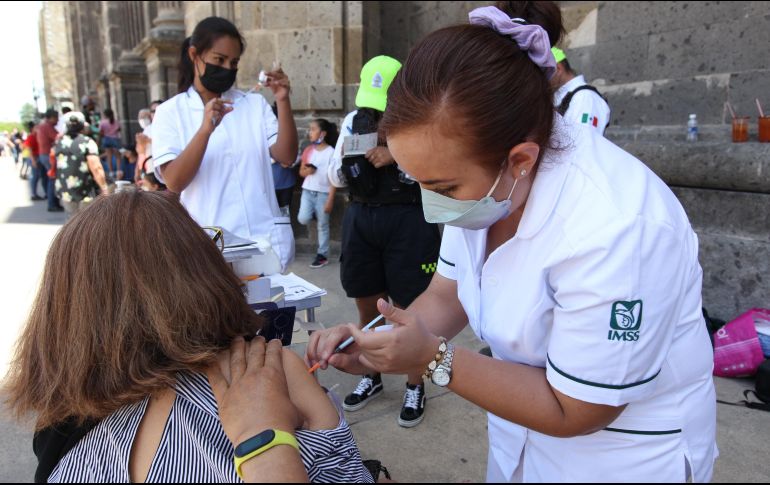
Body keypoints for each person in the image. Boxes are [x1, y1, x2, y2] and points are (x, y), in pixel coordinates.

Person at [307, 3, 717, 482]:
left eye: (441, 188)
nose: (429, 204)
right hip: (520, 435)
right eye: (415, 181)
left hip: (620, 459)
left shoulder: (619, 225)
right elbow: (448, 290)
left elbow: (580, 410)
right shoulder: (484, 182)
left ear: (519, 160)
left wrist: (433, 358)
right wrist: (383, 338)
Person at [2, 190, 374, 483]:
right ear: (202, 271)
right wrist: (266, 440)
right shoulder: (272, 371)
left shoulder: (60, 422)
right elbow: (342, 471)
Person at [326, 56, 441, 428]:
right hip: (362, 217)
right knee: (368, 303)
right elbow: (335, 175)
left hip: (407, 219)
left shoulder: (421, 118)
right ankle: (371, 374)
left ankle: (414, 383)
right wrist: (353, 157)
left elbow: (435, 170)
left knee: (410, 309)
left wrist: (395, 155)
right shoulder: (352, 120)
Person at [152, 16, 298, 272]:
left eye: (233, 62)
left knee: (272, 311)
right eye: (218, 60)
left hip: (262, 242)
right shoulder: (171, 112)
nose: (226, 69)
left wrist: (283, 100)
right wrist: (205, 130)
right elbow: (174, 182)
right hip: (208, 249)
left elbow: (286, 155)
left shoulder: (252, 105)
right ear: (195, 55)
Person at [298, 119, 338, 269]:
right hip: (307, 191)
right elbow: (301, 172)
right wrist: (308, 171)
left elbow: (334, 179)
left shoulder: (331, 152)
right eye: (310, 129)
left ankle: (322, 255)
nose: (310, 132)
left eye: (313, 129)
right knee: (303, 218)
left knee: (323, 226)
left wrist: (330, 199)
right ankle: (314, 212)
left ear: (323, 133)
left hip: (323, 194)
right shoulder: (309, 150)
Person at [53, 111, 108, 217]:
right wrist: (104, 188)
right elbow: (96, 167)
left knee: (71, 222)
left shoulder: (59, 142)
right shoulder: (86, 142)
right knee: (87, 222)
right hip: (84, 191)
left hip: (65, 190)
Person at [549, 47, 611, 133]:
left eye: (541, 73)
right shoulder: (559, 96)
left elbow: (584, 141)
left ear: (557, 69)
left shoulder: (585, 98)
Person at [37, 109, 64, 212]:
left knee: (51, 179)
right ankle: (52, 204)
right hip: (48, 155)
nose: (57, 120)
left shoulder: (43, 126)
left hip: (44, 155)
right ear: (51, 117)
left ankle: (54, 202)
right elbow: (57, 137)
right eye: (56, 117)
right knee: (53, 180)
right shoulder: (47, 126)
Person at [99, 108, 122, 179]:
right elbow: (119, 129)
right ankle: (118, 170)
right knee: (117, 156)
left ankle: (111, 172)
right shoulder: (115, 121)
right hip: (114, 139)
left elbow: (100, 131)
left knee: (109, 156)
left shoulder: (103, 122)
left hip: (106, 139)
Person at [23, 122, 43, 199]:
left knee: (37, 176)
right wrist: (33, 161)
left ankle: (34, 194)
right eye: (36, 127)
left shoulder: (38, 136)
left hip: (38, 156)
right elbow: (29, 149)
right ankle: (33, 194)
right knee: (35, 176)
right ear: (32, 129)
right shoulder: (31, 137)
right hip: (34, 157)